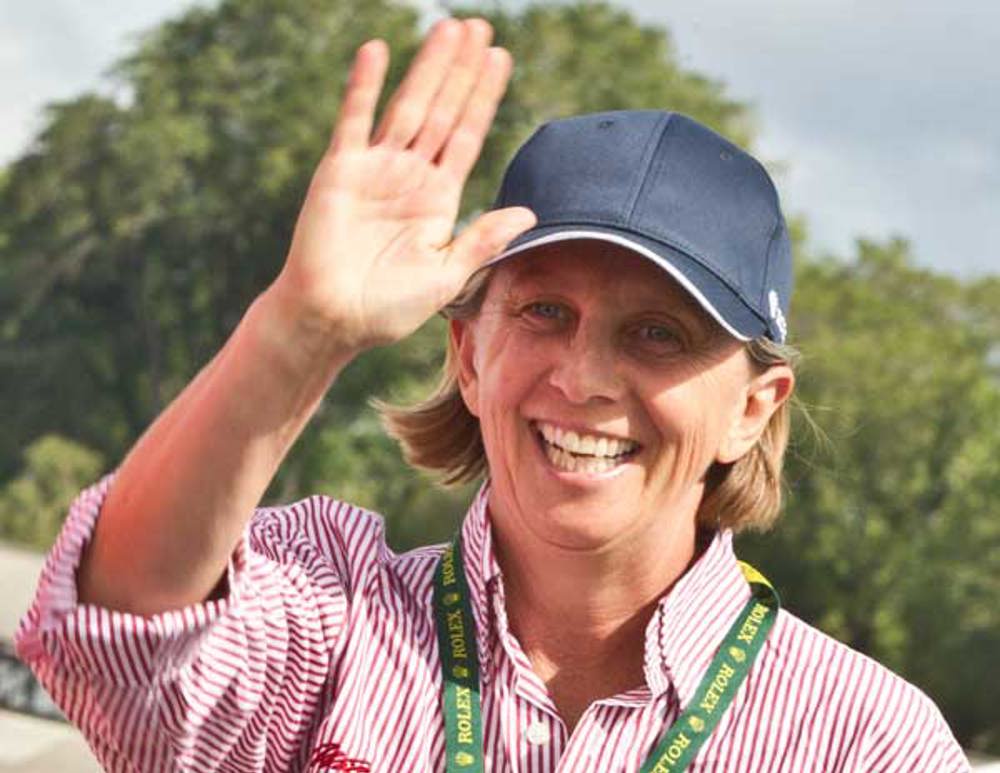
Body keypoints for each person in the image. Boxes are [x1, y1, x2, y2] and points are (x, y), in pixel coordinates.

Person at [15, 17, 969, 773]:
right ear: (469, 354)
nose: (584, 377)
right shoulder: (332, 615)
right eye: (546, 310)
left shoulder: (866, 743)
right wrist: (297, 334)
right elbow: (120, 633)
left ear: (754, 406)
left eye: (657, 333)